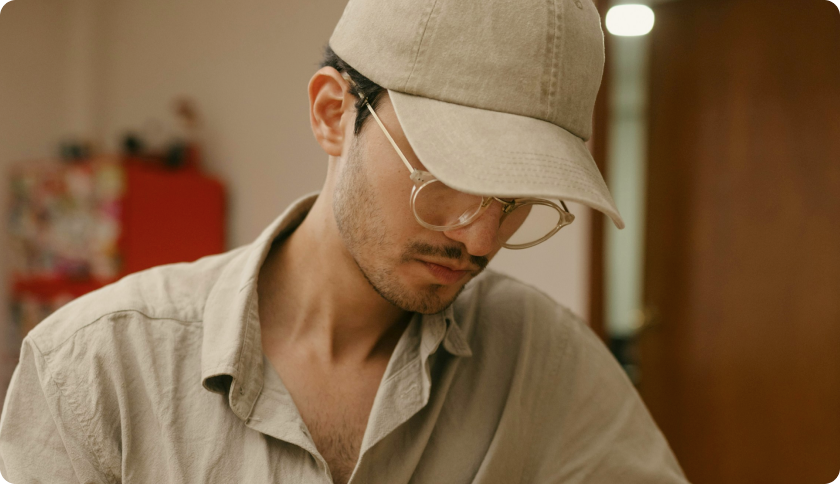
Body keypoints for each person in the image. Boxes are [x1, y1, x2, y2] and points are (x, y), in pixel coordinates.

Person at [0, 0, 690, 482]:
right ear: (334, 115)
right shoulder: (96, 367)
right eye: (446, 175)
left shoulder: (543, 359)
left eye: (518, 202)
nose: (480, 239)